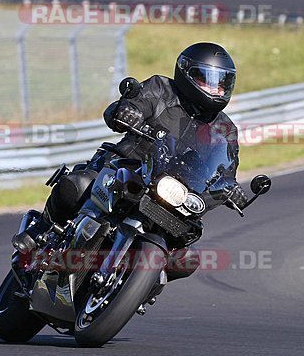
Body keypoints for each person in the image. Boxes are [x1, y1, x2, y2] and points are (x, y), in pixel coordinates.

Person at [12, 42, 248, 254]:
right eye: (207, 80)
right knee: (78, 185)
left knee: (186, 258)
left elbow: (224, 169)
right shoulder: (161, 89)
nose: (216, 89)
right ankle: (40, 230)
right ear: (187, 73)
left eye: (222, 83)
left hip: (173, 192)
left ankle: (141, 290)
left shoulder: (224, 128)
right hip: (125, 167)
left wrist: (230, 187)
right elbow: (132, 103)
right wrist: (127, 112)